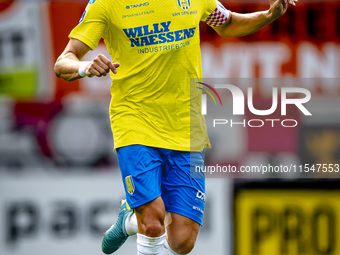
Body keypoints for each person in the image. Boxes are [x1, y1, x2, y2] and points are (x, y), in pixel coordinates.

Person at [54, 0, 296, 254]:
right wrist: (84, 67)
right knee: (153, 220)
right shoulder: (105, 5)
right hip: (135, 121)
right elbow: (63, 62)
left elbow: (228, 24)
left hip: (185, 126)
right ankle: (140, 217)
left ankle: (128, 219)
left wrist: (269, 15)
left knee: (182, 240)